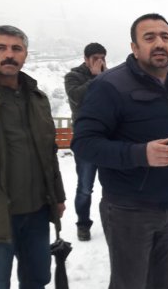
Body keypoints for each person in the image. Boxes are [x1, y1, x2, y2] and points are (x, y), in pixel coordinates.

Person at [72, 13, 168, 288]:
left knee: (163, 282)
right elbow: (83, 143)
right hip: (129, 210)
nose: (159, 43)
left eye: (165, 37)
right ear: (134, 47)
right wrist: (139, 154)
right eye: (149, 37)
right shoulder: (109, 85)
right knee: (130, 283)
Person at [0, 25, 66, 288]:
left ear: (25, 54)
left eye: (16, 48)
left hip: (36, 210)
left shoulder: (36, 98)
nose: (9, 55)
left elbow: (49, 153)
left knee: (38, 277)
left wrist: (57, 196)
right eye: (1, 48)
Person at [63, 42, 107, 241]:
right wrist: (98, 78)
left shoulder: (108, 76)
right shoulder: (73, 77)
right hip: (85, 142)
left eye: (103, 57)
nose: (100, 61)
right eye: (96, 58)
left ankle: (112, 222)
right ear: (86, 58)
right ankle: (83, 224)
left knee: (112, 186)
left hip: (107, 141)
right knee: (84, 188)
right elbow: (76, 97)